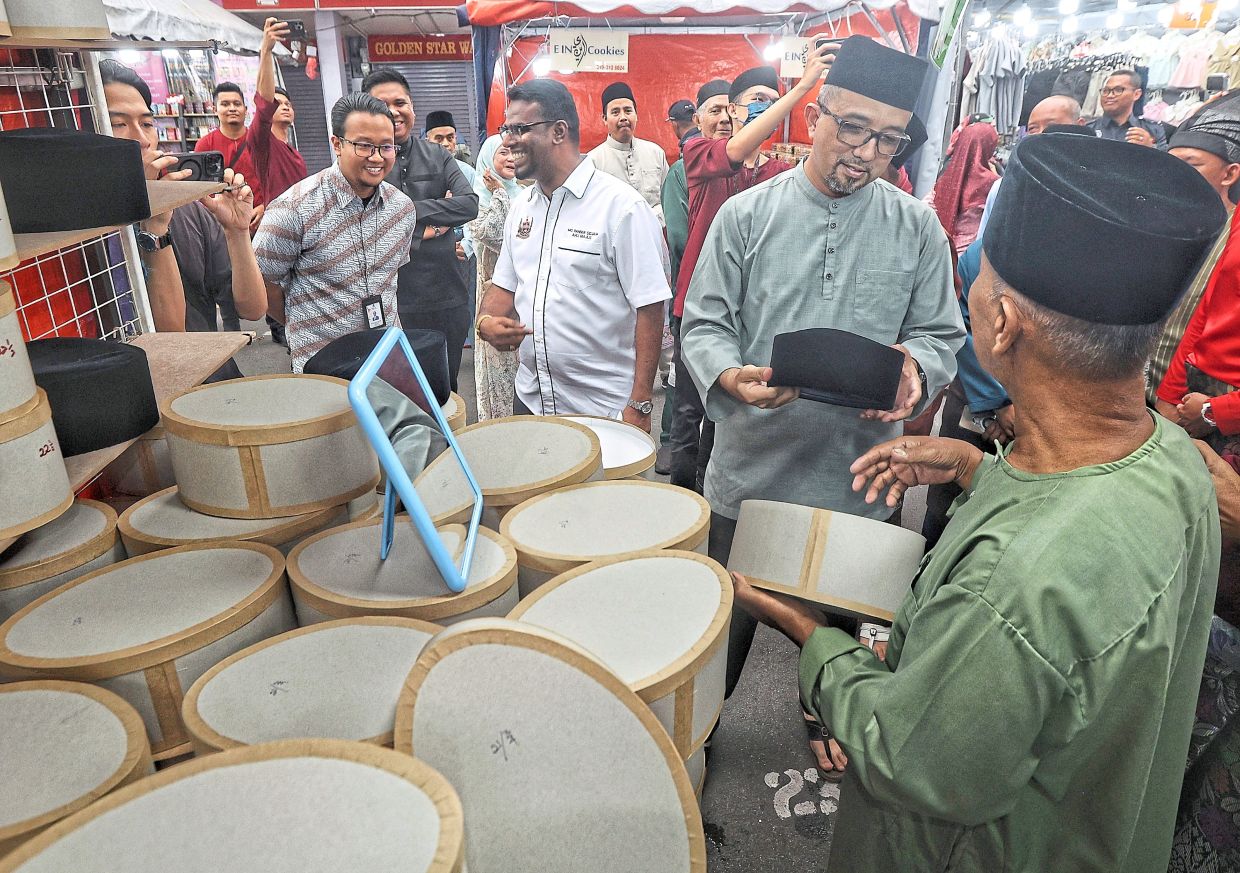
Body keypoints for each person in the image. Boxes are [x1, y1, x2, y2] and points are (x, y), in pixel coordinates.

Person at [734, 131, 1226, 873]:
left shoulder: (1014, 585)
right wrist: (973, 464)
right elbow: (1082, 512)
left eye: (980, 280)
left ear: (1000, 324)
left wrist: (808, 632)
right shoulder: (1175, 461)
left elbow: (910, 757)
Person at [681, 38, 963, 774]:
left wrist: (916, 370)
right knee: (722, 636)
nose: (868, 153)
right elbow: (703, 323)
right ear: (816, 116)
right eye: (855, 129)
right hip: (751, 475)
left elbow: (941, 333)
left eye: (890, 139)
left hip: (860, 479)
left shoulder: (917, 226)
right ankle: (697, 735)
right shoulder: (746, 216)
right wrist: (729, 376)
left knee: (848, 628)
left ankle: (824, 709)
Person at [670, 54, 830, 493]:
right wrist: (798, 92)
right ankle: (682, 503)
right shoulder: (700, 152)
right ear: (735, 110)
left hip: (752, 312)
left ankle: (714, 493)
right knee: (689, 409)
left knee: (733, 407)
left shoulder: (782, 172)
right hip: (697, 305)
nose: (764, 107)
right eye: (755, 100)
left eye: (771, 101)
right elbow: (737, 151)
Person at [476, 79, 671, 427]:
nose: (507, 141)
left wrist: (640, 401)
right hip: (532, 404)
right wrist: (485, 322)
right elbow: (504, 286)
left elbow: (651, 307)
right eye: (507, 129)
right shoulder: (522, 208)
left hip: (602, 409)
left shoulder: (622, 208)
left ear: (558, 131)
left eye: (520, 128)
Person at [254, 92, 417, 373]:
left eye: (386, 147)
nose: (376, 158)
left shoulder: (401, 209)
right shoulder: (294, 209)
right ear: (337, 144)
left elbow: (390, 281)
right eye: (364, 146)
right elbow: (262, 284)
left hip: (386, 358)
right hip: (322, 365)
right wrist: (305, 321)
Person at [99, 59, 265, 334]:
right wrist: (154, 227)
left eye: (147, 122)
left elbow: (253, 308)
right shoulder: (86, 230)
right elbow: (170, 336)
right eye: (118, 124)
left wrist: (236, 232)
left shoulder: (187, 208)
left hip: (210, 372)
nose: (142, 138)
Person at [363, 69, 478, 393]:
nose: (394, 110)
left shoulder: (438, 155)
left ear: (412, 107)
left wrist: (399, 213)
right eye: (382, 103)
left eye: (400, 102)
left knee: (446, 390)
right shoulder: (362, 163)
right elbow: (363, 222)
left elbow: (469, 205)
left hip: (446, 297)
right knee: (395, 394)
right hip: (389, 301)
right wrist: (432, 220)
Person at [1147, 94, 1240, 408]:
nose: (1175, 175)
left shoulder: (1233, 241)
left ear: (1229, 174)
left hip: (1194, 404)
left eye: (1191, 165)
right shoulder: (1158, 225)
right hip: (1136, 391)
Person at [658, 80, 724, 474]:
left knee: (721, 405)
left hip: (736, 307)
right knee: (687, 401)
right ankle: (681, 488)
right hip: (693, 298)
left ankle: (707, 480)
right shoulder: (683, 171)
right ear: (698, 119)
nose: (723, 119)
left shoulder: (751, 171)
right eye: (712, 110)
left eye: (727, 109)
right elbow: (680, 238)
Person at [976, 95, 1086, 240]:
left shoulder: (1095, 187)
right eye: (1033, 129)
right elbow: (982, 247)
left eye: (1051, 126)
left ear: (1079, 125)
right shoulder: (1005, 187)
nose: (1040, 134)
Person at [469, 134, 522, 420]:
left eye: (514, 152)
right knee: (498, 362)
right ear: (489, 159)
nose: (511, 158)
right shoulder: (479, 198)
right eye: (503, 153)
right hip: (494, 293)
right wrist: (499, 194)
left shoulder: (526, 192)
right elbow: (494, 236)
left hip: (525, 291)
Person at [587, 82, 670, 223]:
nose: (623, 117)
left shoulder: (656, 153)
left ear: (636, 115)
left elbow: (669, 199)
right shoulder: (593, 161)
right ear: (604, 119)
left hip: (656, 236)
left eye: (628, 110)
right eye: (615, 112)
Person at [928, 120, 999, 253]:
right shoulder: (993, 183)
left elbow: (925, 206)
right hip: (968, 257)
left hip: (939, 249)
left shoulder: (947, 176)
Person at [195, 82, 264, 207]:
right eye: (225, 104)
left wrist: (264, 206)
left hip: (258, 217)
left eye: (237, 104)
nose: (232, 108)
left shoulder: (259, 142)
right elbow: (201, 188)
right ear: (215, 109)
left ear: (245, 109)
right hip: (220, 218)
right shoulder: (205, 145)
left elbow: (272, 180)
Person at [1089, 70, 1167, 148]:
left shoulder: (1153, 130)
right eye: (1105, 91)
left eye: (1118, 90)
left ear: (1136, 94)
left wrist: (1150, 148)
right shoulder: (1089, 130)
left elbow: (1166, 159)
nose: (1110, 95)